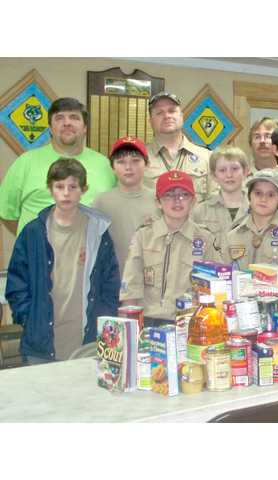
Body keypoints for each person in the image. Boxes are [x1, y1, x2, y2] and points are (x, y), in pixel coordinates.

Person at [5, 158, 119, 364]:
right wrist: (29, 318)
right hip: (40, 341)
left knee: (85, 395)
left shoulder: (98, 232)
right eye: (59, 186)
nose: (66, 193)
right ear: (50, 189)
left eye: (73, 186)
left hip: (87, 341)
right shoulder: (32, 233)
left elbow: (110, 282)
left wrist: (103, 319)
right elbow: (16, 282)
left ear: (83, 189)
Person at [0, 97, 116, 235]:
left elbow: (114, 210)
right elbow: (6, 214)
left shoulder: (105, 165)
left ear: (85, 128)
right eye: (59, 118)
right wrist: (31, 241)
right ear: (50, 128)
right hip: (38, 254)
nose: (67, 123)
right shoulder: (25, 162)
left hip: (90, 254)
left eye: (74, 117)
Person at [120, 170, 224, 322]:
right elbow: (131, 287)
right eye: (169, 195)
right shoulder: (143, 236)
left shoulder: (205, 238)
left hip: (190, 321)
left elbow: (218, 286)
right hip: (148, 321)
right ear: (158, 202)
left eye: (184, 195)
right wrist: (127, 325)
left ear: (193, 202)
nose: (177, 201)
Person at [92, 136, 158, 276]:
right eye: (121, 162)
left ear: (147, 164)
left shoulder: (159, 200)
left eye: (135, 161)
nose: (128, 167)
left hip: (151, 284)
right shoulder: (101, 203)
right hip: (113, 282)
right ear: (113, 168)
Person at [223, 169, 278, 273]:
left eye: (271, 195)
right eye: (258, 193)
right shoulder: (233, 235)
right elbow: (223, 273)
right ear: (249, 196)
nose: (263, 199)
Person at [143, 92, 212, 202]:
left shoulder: (207, 157)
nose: (167, 116)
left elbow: (214, 201)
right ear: (150, 121)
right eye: (159, 113)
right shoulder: (139, 158)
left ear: (181, 116)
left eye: (172, 111)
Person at [192, 145, 250, 235]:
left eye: (235, 169)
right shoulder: (201, 212)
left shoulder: (258, 207)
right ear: (214, 176)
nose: (229, 175)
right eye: (222, 170)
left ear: (245, 171)